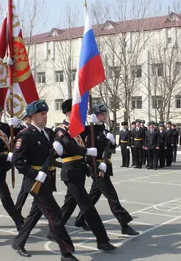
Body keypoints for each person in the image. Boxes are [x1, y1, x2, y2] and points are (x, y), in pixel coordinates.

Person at [11, 100, 77, 260]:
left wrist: (58, 153)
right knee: (55, 216)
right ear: (32, 116)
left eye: (46, 113)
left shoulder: (47, 132)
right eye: (42, 114)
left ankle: (18, 242)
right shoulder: (25, 135)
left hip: (47, 180)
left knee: (35, 214)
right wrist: (34, 173)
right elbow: (17, 160)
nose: (45, 116)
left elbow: (50, 156)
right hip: (36, 182)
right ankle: (66, 253)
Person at [49, 99, 116, 251]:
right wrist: (86, 151)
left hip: (79, 170)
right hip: (70, 171)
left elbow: (94, 134)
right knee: (88, 207)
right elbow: (68, 144)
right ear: (68, 113)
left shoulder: (77, 128)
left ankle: (53, 232)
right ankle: (102, 240)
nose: (79, 115)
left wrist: (96, 124)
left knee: (69, 204)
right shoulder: (61, 129)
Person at [73, 104, 139, 236]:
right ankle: (124, 224)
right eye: (102, 114)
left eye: (105, 114)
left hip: (104, 166)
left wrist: (112, 143)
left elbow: (109, 149)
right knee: (112, 197)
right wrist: (88, 125)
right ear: (96, 115)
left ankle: (80, 219)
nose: (105, 116)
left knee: (93, 196)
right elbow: (78, 138)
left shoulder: (103, 129)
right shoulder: (90, 129)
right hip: (96, 167)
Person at [15, 109, 33, 216]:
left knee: (25, 190)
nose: (28, 120)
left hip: (34, 162)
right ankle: (17, 211)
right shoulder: (22, 131)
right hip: (27, 164)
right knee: (25, 191)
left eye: (29, 118)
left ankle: (17, 210)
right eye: (26, 118)